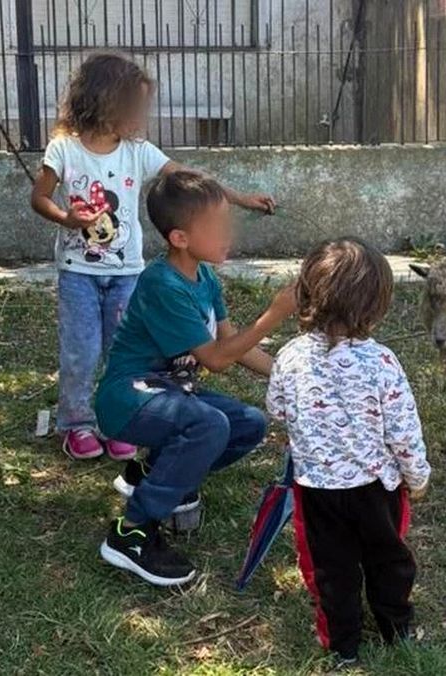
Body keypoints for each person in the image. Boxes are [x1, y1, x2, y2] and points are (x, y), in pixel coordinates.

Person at [30, 52, 275, 461]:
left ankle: (115, 421)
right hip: (78, 272)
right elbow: (39, 197)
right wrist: (65, 217)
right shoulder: (64, 149)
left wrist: (241, 198)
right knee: (81, 351)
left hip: (127, 272)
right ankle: (75, 422)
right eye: (136, 106)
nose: (142, 116)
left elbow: (192, 181)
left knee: (124, 350)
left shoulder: (138, 151)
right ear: (105, 101)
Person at [94, 170, 295, 586]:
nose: (228, 234)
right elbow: (217, 359)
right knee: (210, 425)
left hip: (169, 395)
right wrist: (274, 315)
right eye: (216, 227)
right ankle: (131, 533)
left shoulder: (204, 277)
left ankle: (154, 474)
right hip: (128, 398)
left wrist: (290, 375)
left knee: (249, 424)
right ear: (180, 238)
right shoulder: (163, 284)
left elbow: (232, 345)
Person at [266, 238, 431, 669]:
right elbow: (403, 433)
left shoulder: (289, 356)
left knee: (332, 569)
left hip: (316, 490)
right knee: (388, 558)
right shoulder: (383, 363)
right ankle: (396, 627)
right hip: (376, 489)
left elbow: (277, 408)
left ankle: (343, 645)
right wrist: (417, 476)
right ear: (376, 305)